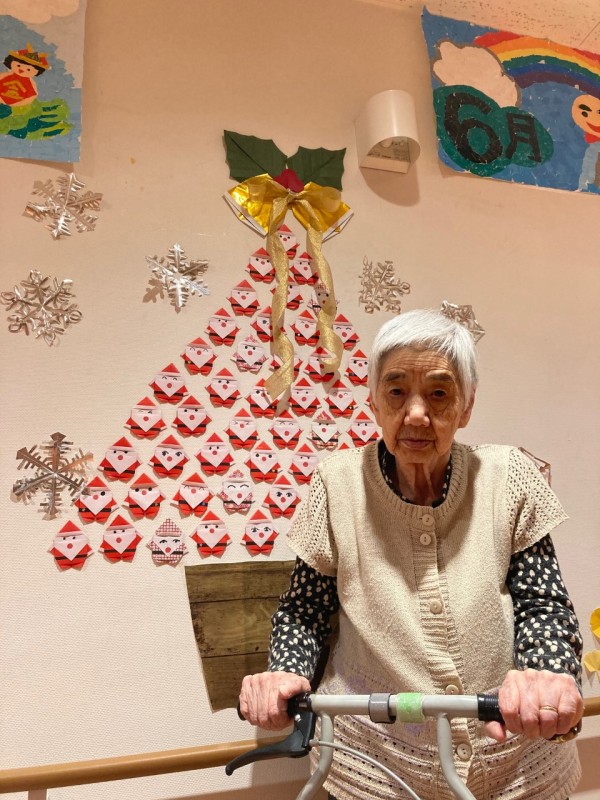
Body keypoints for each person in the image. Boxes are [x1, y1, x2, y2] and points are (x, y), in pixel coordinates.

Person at [240, 309, 584, 800]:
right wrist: (285, 670)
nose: (417, 413)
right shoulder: (336, 483)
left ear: (466, 407)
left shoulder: (509, 475)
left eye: (439, 393)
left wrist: (546, 674)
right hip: (376, 764)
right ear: (374, 403)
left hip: (515, 761)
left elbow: (542, 603)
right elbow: (304, 611)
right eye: (397, 391)